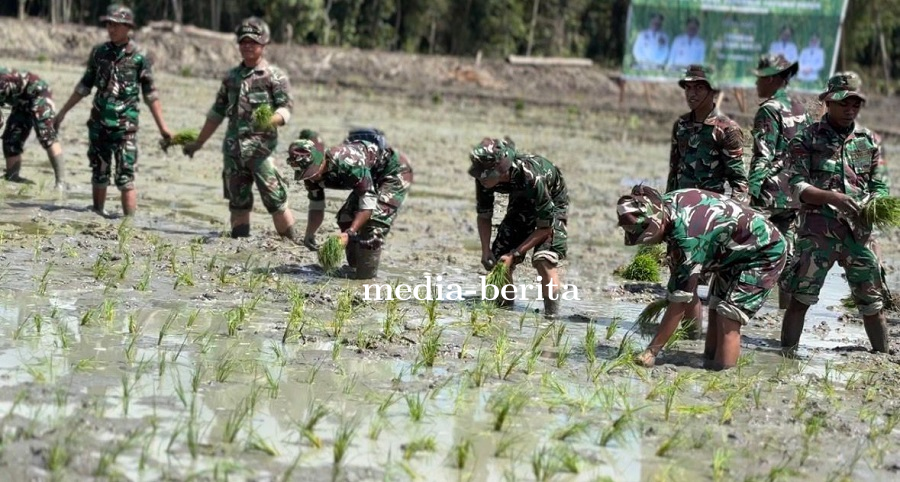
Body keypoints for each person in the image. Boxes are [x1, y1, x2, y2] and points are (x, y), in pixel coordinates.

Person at [617, 186, 787, 370]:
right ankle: (710, 367)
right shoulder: (668, 206)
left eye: (647, 236)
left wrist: (652, 352)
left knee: (729, 316)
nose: (649, 242)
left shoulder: (687, 235)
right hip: (733, 252)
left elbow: (680, 301)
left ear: (657, 221)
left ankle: (724, 379)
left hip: (765, 251)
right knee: (715, 307)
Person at [780, 72, 891, 354]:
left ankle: (881, 358)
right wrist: (831, 198)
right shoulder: (806, 138)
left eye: (855, 105)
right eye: (844, 104)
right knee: (800, 300)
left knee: (873, 304)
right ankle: (785, 359)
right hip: (818, 234)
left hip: (859, 235)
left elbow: (880, 185)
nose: (850, 110)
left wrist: (873, 202)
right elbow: (796, 186)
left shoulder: (870, 142)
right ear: (828, 101)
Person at [181, 17, 302, 242]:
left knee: (276, 200)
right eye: (243, 41)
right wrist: (198, 143)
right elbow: (217, 113)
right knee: (238, 203)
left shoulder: (274, 77)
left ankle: (292, 245)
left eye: (253, 42)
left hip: (262, 152)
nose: (248, 46)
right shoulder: (231, 78)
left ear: (263, 45)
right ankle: (240, 244)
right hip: (234, 152)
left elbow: (286, 108)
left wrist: (271, 120)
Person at [55, 4, 172, 216]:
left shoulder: (139, 57)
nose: (111, 29)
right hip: (99, 122)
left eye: (116, 25)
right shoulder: (99, 53)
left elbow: (150, 94)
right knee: (98, 171)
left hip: (125, 127)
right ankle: (97, 213)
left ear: (128, 27)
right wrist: (62, 113)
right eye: (109, 24)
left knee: (125, 175)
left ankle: (129, 223)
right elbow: (84, 86)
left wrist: (163, 128)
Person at [667, 64, 748, 337]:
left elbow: (739, 182)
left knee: (699, 280)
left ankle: (704, 337)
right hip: (681, 215)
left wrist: (734, 220)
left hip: (710, 218)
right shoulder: (681, 125)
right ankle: (691, 337)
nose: (692, 93)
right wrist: (666, 211)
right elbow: (673, 171)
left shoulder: (726, 129)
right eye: (688, 87)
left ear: (713, 91)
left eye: (698, 87)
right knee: (682, 277)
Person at [287, 130, 413, 278]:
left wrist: (350, 233)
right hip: (368, 176)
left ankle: (366, 279)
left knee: (374, 225)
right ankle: (355, 268)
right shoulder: (310, 176)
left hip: (393, 171)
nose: (313, 177)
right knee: (345, 217)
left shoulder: (348, 161)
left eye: (314, 172)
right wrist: (310, 232)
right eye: (308, 174)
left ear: (322, 160)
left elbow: (367, 204)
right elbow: (316, 206)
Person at [467, 137, 568, 317]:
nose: (481, 180)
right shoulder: (483, 179)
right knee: (499, 261)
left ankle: (552, 316)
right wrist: (485, 251)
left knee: (543, 259)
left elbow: (545, 227)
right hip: (520, 201)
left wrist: (515, 253)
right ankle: (505, 310)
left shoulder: (531, 176)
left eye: (485, 175)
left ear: (500, 171)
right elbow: (484, 215)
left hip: (551, 202)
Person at [749, 54, 812, 309]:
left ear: (774, 79)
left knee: (748, 250)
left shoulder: (769, 109)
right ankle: (783, 315)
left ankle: (738, 309)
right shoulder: (800, 108)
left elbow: (762, 155)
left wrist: (749, 193)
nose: (756, 84)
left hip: (770, 194)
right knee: (786, 253)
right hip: (794, 194)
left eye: (760, 79)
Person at [0, 67, 66, 188]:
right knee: (11, 137)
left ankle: (61, 182)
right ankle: (12, 177)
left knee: (45, 134)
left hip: (38, 92)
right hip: (20, 100)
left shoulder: (1, 82)